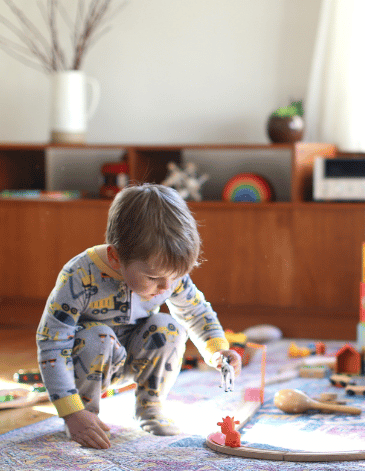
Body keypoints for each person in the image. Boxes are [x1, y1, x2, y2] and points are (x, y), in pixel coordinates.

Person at [36, 183, 241, 449]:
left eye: (176, 276)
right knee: (99, 337)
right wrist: (71, 412)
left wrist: (217, 349)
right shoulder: (79, 275)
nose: (167, 287)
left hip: (133, 354)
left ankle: (150, 407)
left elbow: (196, 312)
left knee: (169, 327)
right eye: (154, 278)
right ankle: (86, 417)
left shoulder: (166, 274)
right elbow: (53, 343)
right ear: (115, 257)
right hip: (89, 360)